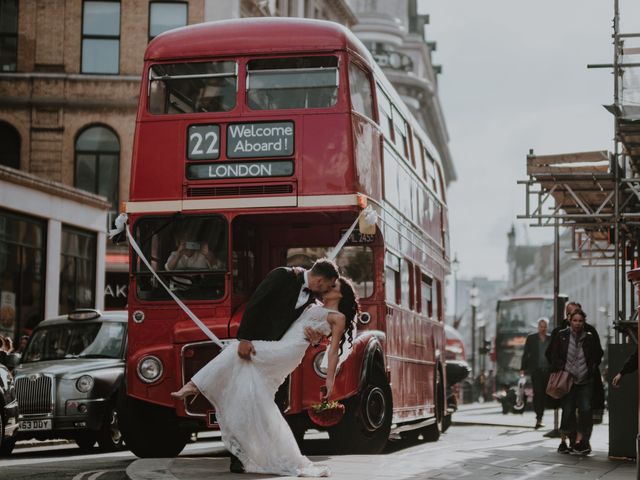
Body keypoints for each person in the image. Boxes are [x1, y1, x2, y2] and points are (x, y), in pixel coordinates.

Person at [171, 274, 356, 477]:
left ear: (341, 293)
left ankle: (194, 386)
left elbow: (331, 350)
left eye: (333, 286)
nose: (327, 287)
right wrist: (314, 339)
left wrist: (329, 381)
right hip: (280, 347)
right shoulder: (312, 305)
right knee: (257, 400)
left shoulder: (337, 317)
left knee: (236, 350)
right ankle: (258, 454)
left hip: (286, 352)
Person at [546, 308, 603, 456]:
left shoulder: (589, 337)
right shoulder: (561, 335)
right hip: (568, 380)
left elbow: (596, 355)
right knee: (568, 410)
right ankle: (563, 441)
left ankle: (579, 441)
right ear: (570, 321)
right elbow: (553, 354)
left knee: (585, 409)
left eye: (580, 321)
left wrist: (592, 367)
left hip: (585, 380)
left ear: (584, 322)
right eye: (575, 320)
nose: (577, 323)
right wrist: (562, 368)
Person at [521, 317, 551, 429]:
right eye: (541, 326)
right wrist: (523, 368)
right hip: (536, 371)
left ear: (547, 327)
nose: (543, 329)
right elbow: (526, 353)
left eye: (545, 327)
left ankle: (545, 416)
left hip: (548, 371)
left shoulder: (551, 338)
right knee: (538, 394)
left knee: (546, 394)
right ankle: (539, 418)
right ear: (538, 327)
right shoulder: (531, 338)